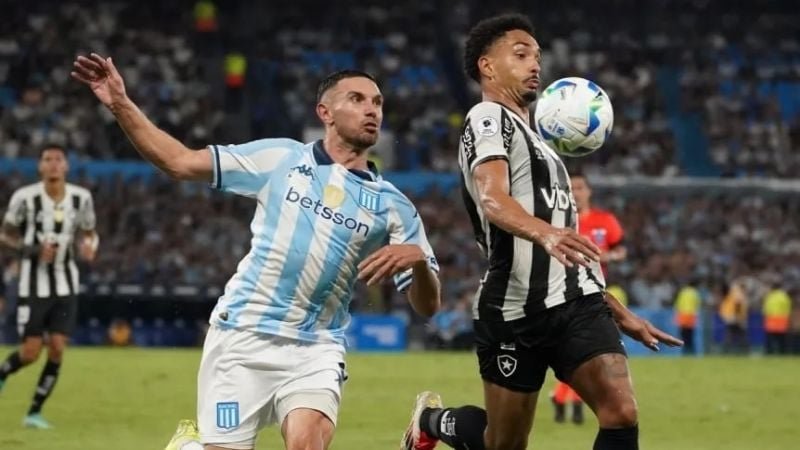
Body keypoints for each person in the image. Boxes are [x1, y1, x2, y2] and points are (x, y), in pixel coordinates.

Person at [72, 54, 441, 450]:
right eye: (357, 99)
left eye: (377, 102)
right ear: (325, 113)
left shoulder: (393, 205)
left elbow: (428, 306)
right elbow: (179, 162)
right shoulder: (281, 158)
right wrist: (120, 103)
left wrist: (419, 262)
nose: (372, 110)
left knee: (306, 445)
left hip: (316, 345)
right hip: (243, 336)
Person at [401, 14, 681, 450]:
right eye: (520, 54)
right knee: (503, 443)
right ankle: (433, 420)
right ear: (487, 66)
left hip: (577, 304)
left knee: (621, 413)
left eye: (537, 56)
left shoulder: (545, 149)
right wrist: (544, 233)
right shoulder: (487, 118)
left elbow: (567, 247)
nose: (535, 64)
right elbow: (492, 198)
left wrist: (615, 309)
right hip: (514, 307)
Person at [0, 144, 99, 429]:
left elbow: (90, 233)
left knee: (57, 347)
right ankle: (3, 373)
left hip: (66, 284)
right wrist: (32, 250)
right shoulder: (24, 198)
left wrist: (90, 247)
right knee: (30, 352)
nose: (54, 163)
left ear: (66, 166)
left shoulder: (81, 198)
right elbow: (4, 236)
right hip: (33, 285)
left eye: (59, 159)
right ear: (40, 166)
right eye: (48, 159)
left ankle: (34, 413)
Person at [549, 172, 628, 424]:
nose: (575, 192)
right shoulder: (557, 222)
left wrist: (609, 256)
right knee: (575, 351)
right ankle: (569, 398)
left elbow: (621, 249)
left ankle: (565, 397)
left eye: (580, 187)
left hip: (595, 292)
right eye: (571, 188)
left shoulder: (605, 220)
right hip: (563, 293)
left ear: (589, 191)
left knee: (585, 351)